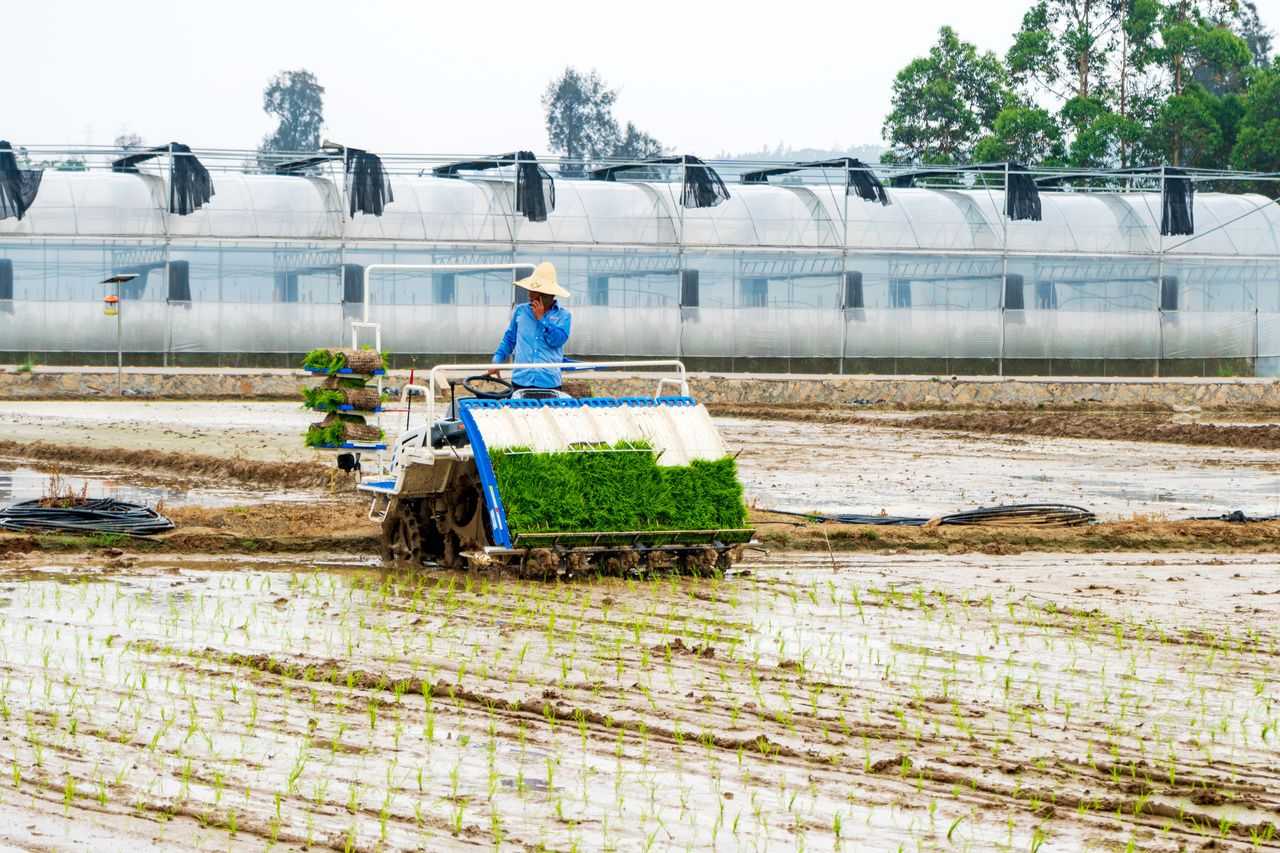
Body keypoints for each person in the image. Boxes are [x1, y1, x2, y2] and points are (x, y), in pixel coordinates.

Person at [488, 262, 572, 391]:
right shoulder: (521, 311)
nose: (529, 294)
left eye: (533, 291)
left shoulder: (563, 315)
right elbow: (510, 339)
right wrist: (497, 360)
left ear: (546, 295)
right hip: (521, 380)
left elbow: (557, 341)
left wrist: (542, 319)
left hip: (549, 382)